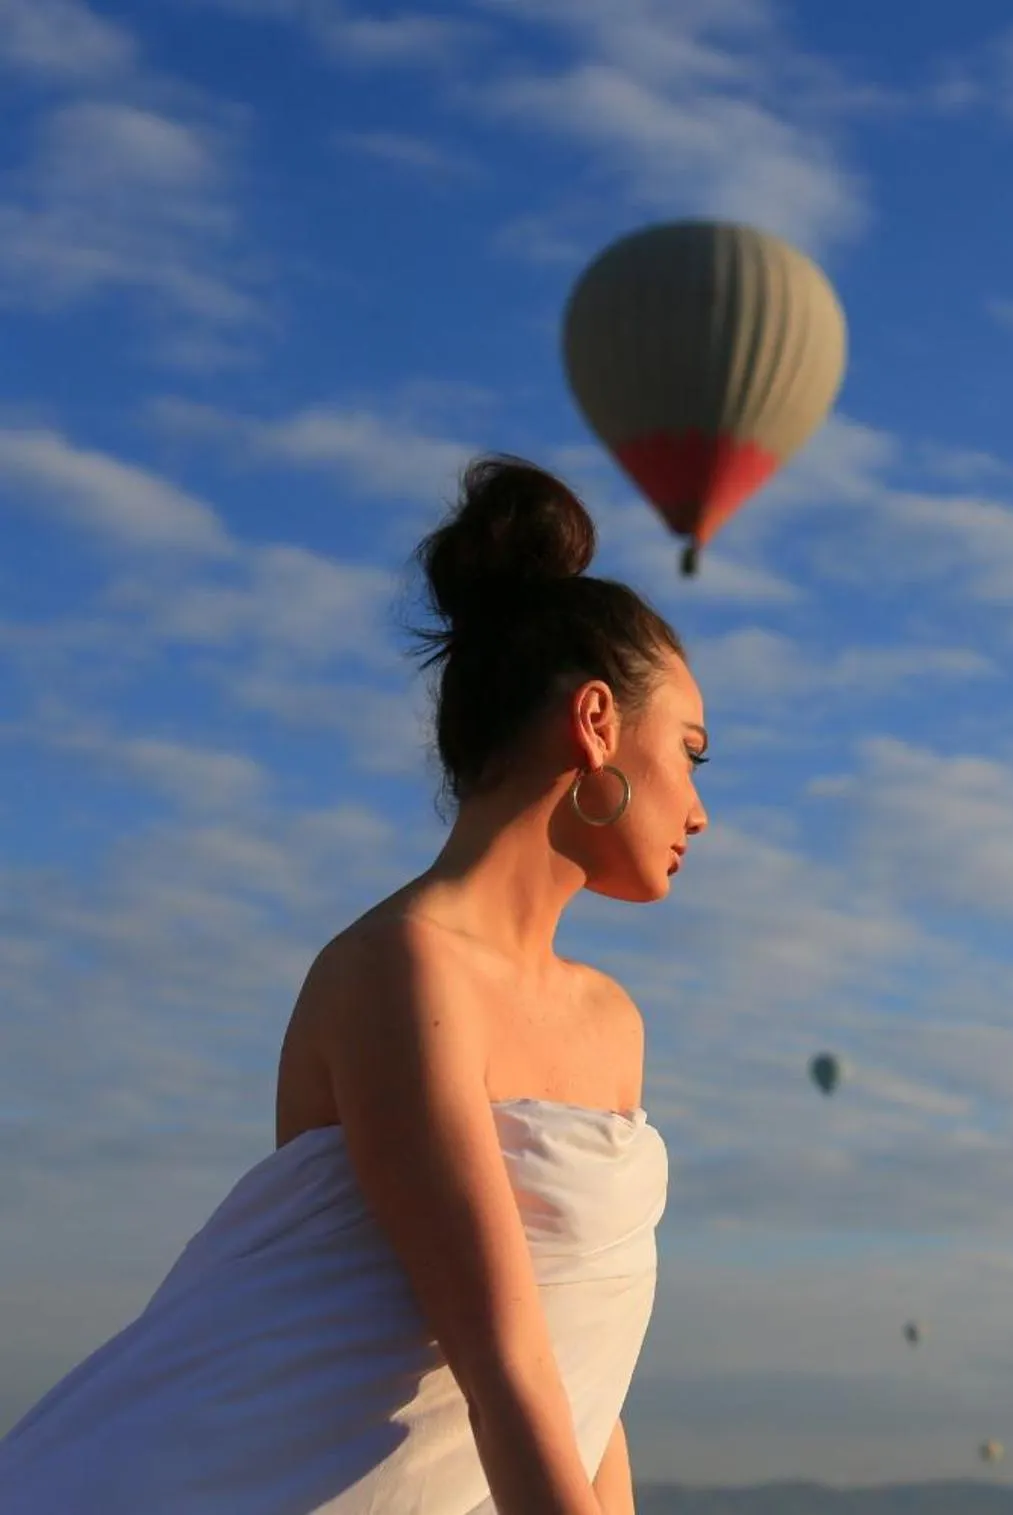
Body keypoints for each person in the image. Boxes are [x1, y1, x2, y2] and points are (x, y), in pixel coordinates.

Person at [0, 456, 709, 1513]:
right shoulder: (399, 968)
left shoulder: (612, 1023)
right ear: (597, 723)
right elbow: (499, 1360)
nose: (699, 809)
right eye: (690, 754)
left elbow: (580, 1383)